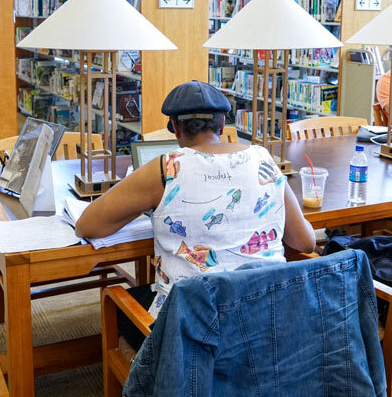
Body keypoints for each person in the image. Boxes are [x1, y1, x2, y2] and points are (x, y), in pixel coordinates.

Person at [76, 80, 316, 318]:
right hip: (267, 318)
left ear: (174, 128)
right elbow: (306, 243)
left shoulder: (166, 168)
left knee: (120, 306)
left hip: (193, 329)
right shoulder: (264, 159)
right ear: (222, 123)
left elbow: (87, 225)